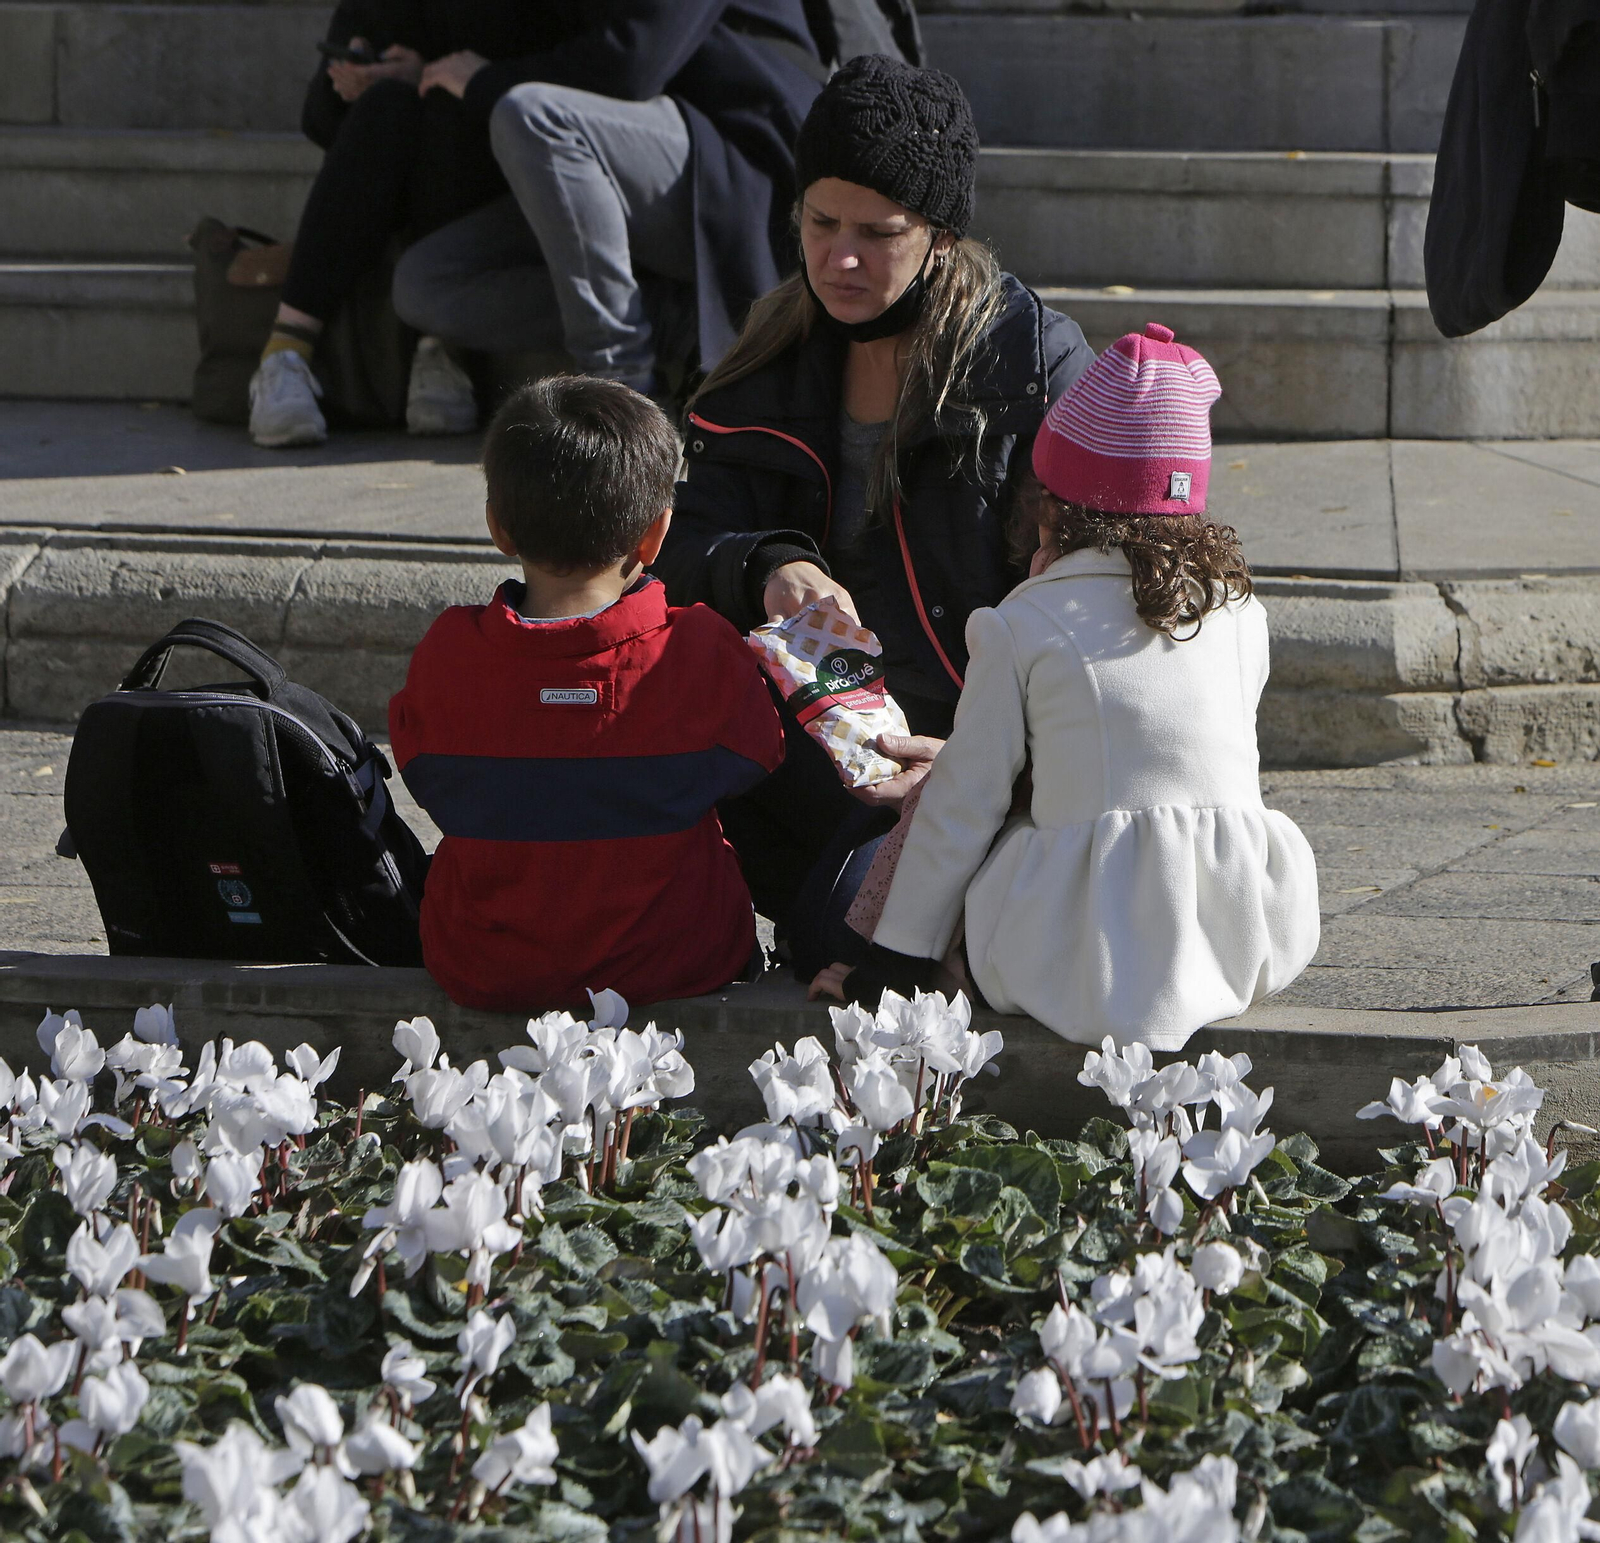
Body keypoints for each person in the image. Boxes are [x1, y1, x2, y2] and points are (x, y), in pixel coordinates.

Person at [651, 55, 1095, 976]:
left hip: (965, 755)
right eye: (820, 223)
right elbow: (676, 549)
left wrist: (977, 767)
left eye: (878, 233)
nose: (840, 259)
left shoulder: (1032, 367)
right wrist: (763, 563)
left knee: (843, 938)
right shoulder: (765, 358)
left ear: (941, 237)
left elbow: (1092, 612)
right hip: (792, 740)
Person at [812, 323, 1322, 1052]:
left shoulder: (1024, 623)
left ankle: (954, 969)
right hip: (1238, 932)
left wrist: (894, 965)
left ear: (1053, 504)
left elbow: (965, 803)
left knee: (957, 814)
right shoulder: (1240, 614)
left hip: (1083, 950)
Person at [387, 375, 785, 1012]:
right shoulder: (699, 647)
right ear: (656, 534)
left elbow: (421, 767)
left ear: (498, 528)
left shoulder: (449, 652)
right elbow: (762, 755)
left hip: (485, 966)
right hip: (677, 961)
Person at [390, 0, 822, 400]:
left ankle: (621, 392)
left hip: (747, 155)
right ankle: (689, 322)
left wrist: (484, 81)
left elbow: (634, 62)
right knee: (424, 282)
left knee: (533, 115)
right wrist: (424, 72)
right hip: (623, 162)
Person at [247, 0, 584, 449]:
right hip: (385, 169)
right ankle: (286, 350)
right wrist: (347, 83)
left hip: (493, 170)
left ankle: (440, 349)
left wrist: (434, 75)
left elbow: (546, 86)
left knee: (447, 108)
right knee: (387, 105)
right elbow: (320, 121)